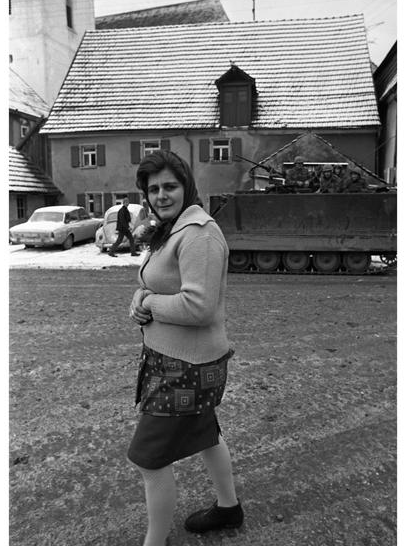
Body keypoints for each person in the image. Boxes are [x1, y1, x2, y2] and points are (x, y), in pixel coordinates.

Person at [127, 150, 243, 546]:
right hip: (174, 360)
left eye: (169, 186)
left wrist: (149, 304)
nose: (161, 195)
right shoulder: (173, 228)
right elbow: (157, 283)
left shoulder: (200, 235)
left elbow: (198, 305)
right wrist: (140, 299)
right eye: (153, 188)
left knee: (149, 459)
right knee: (207, 435)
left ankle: (154, 542)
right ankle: (229, 508)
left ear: (186, 186)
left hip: (187, 368)